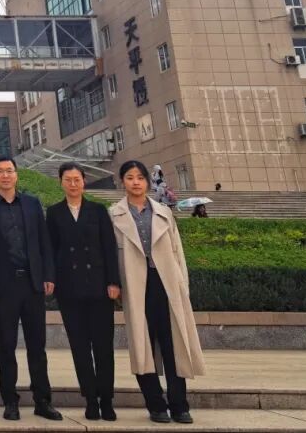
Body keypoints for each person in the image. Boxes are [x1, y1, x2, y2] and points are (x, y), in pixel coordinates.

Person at [110, 160, 206, 425]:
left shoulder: (164, 212)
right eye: (130, 177)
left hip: (167, 284)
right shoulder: (114, 215)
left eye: (140, 177)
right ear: (122, 182)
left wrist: (182, 284)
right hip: (136, 286)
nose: (136, 182)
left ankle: (179, 405)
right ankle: (155, 404)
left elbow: (177, 251)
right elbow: (111, 255)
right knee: (143, 346)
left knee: (174, 344)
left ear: (148, 181)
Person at [0, 157, 62, 421]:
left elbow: (44, 241)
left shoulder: (32, 203)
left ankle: (43, 400)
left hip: (32, 283)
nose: (5, 175)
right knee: (6, 345)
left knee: (37, 345)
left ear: (16, 175)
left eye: (9, 171)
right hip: (5, 285)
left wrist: (48, 274)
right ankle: (10, 401)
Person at [46, 162, 120, 421]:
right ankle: (90, 399)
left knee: (103, 346)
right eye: (68, 179)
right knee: (79, 347)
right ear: (61, 182)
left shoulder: (98, 211)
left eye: (77, 179)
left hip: (99, 287)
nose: (73, 184)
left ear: (84, 181)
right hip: (69, 289)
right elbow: (51, 250)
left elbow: (109, 247)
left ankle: (107, 400)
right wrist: (51, 279)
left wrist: (113, 282)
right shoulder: (54, 213)